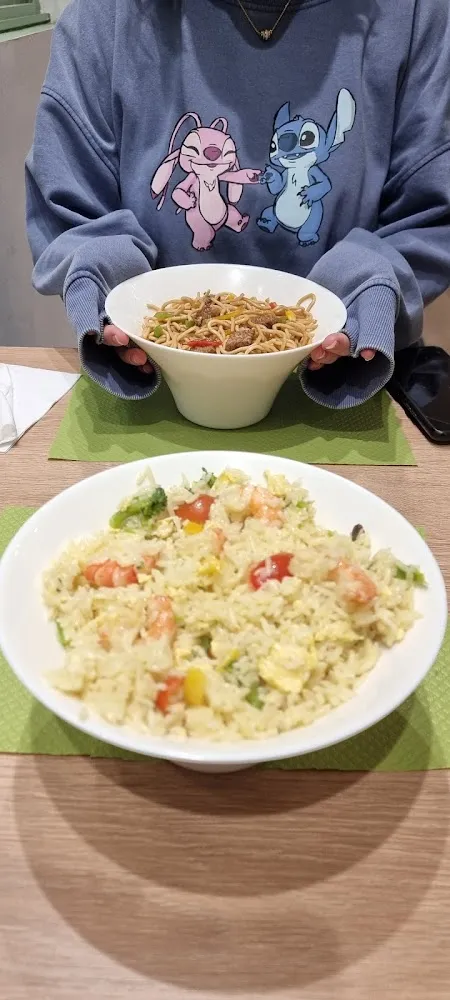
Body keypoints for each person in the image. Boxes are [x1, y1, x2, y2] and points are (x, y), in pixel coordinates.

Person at [26, 0, 450, 409]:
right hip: (146, 379)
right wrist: (113, 288)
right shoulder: (106, 17)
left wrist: (368, 286)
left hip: (354, 377)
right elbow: (72, 213)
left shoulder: (414, 13)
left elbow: (430, 214)